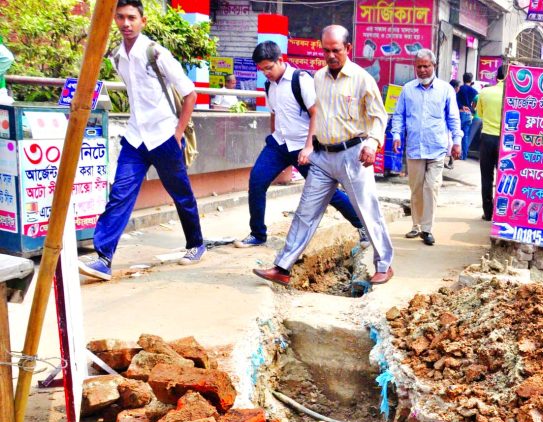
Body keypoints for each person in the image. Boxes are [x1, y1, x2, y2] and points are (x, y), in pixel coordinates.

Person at [252, 25, 394, 286]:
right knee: (305, 213)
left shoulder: (362, 79)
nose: (330, 55)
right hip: (322, 157)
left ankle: (384, 265)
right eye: (326, 50)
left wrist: (372, 143)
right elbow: (316, 115)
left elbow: (378, 116)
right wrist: (309, 147)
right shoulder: (317, 78)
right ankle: (282, 267)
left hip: (353, 154)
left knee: (367, 211)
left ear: (348, 49)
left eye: (336, 50)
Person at [79, 0, 205, 281]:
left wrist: (177, 133)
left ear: (142, 21)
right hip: (136, 138)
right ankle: (103, 258)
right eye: (121, 17)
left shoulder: (156, 53)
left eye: (132, 18)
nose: (126, 23)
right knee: (120, 194)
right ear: (114, 18)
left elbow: (189, 93)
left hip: (164, 136)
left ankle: (196, 243)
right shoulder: (116, 55)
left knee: (180, 193)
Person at [233, 41, 366, 249]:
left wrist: (309, 147)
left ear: (280, 60)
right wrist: (273, 139)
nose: (266, 73)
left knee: (328, 192)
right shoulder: (270, 86)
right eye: (262, 69)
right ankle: (257, 233)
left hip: (305, 146)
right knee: (256, 181)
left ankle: (362, 226)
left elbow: (316, 114)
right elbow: (274, 114)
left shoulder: (300, 79)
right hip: (279, 144)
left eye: (269, 67)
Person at [391, 50, 462, 246]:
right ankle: (416, 225)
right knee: (415, 188)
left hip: (437, 147)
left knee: (431, 187)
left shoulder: (445, 89)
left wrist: (457, 141)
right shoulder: (407, 89)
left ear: (434, 66)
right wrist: (396, 135)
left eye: (426, 66)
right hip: (414, 147)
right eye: (419, 66)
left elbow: (453, 118)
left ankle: (427, 229)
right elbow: (399, 115)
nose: (422, 70)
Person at [476, 65, 504, 221]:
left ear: (496, 77)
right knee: (504, 177)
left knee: (486, 177)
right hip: (507, 140)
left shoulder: (485, 92)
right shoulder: (514, 94)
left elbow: (479, 113)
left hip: (487, 138)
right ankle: (502, 213)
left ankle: (488, 213)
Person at [456, 72, 479, 160]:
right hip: (469, 114)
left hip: (461, 112)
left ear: (463, 79)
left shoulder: (460, 89)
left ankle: (456, 154)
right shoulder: (474, 91)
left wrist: (462, 106)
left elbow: (456, 100)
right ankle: (463, 155)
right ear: (471, 80)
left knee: (458, 134)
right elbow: (476, 103)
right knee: (465, 135)